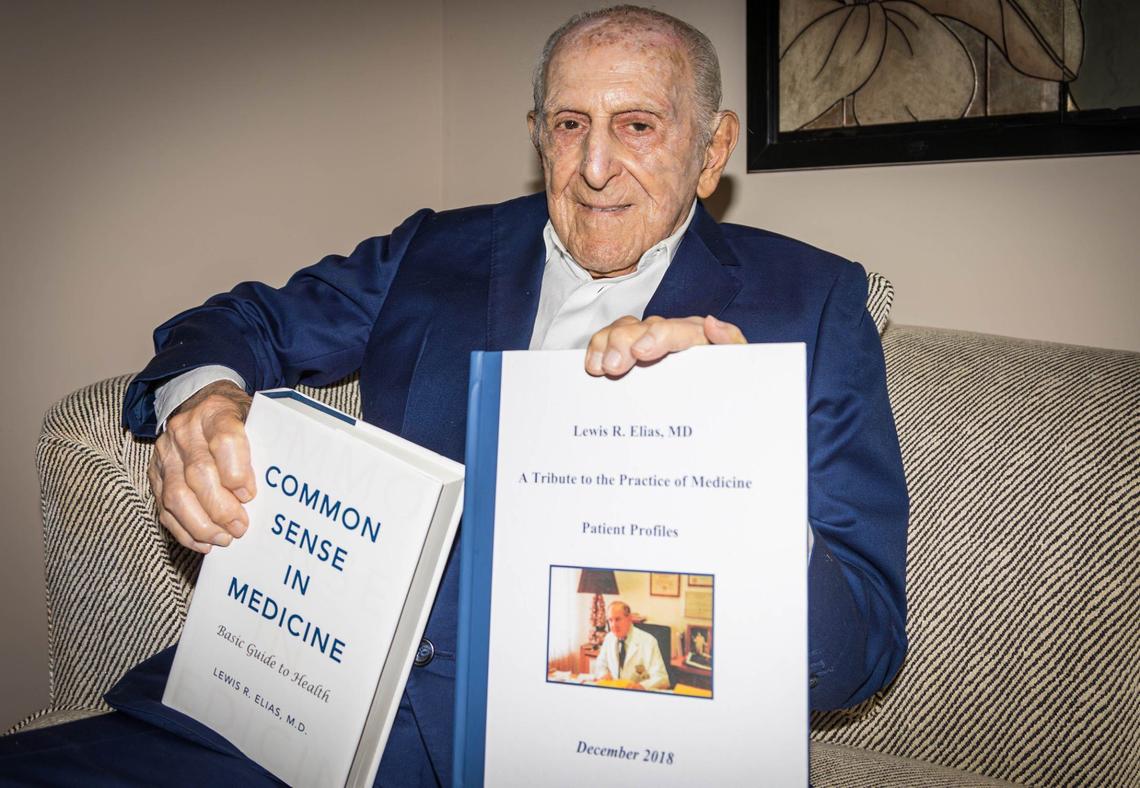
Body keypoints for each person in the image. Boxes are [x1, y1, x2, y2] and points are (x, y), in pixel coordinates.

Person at [1, 6, 907, 786]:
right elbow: (243, 322)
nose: (595, 166)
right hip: (291, 704)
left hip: (589, 752)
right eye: (569, 124)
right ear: (537, 134)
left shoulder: (812, 302)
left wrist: (737, 468)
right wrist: (201, 404)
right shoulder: (435, 250)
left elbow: (857, 652)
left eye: (637, 125)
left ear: (712, 150)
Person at [593, 602, 669, 690]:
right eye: (610, 620)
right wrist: (603, 674)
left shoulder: (648, 641)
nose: (613, 625)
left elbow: (662, 678)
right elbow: (600, 664)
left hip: (639, 693)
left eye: (618, 619)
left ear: (629, 618)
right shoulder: (609, 638)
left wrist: (641, 686)